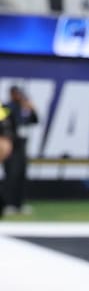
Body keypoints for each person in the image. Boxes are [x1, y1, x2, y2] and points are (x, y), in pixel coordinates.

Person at [2, 87, 39, 216]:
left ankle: (19, 204)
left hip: (22, 146)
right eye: (16, 94)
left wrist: (31, 108)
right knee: (11, 175)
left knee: (21, 175)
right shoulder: (6, 107)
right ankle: (7, 204)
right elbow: (3, 123)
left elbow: (34, 120)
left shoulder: (25, 107)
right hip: (10, 145)